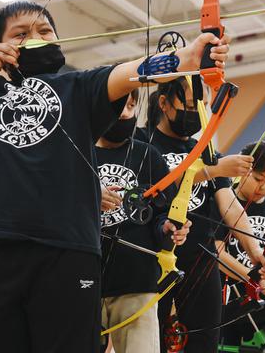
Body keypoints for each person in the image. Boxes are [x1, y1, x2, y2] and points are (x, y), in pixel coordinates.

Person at [0, 0, 231, 353]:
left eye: (45, 31)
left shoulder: (80, 87)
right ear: (0, 47)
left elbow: (132, 71)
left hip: (68, 253)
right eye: (21, 34)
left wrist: (187, 59)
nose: (36, 37)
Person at [137, 78, 265, 353]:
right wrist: (211, 170)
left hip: (199, 257)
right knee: (150, 340)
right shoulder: (141, 142)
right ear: (164, 104)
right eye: (189, 105)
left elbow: (230, 206)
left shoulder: (205, 150)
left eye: (202, 106)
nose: (196, 113)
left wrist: (255, 250)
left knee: (204, 341)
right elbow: (154, 186)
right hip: (152, 256)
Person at [96, 90, 191, 353]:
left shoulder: (148, 156)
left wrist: (170, 229)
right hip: (82, 281)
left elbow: (164, 214)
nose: (125, 113)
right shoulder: (75, 153)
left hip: (136, 283)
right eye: (118, 106)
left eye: (130, 105)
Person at [215, 142, 265, 353]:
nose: (264, 187)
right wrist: (256, 281)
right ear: (243, 171)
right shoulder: (224, 199)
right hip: (230, 304)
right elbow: (218, 253)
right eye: (259, 179)